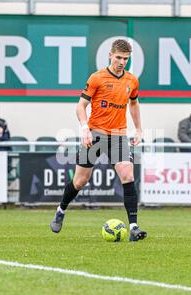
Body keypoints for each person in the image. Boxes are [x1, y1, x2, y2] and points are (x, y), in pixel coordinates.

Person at [50, 39, 147, 241]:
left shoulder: (132, 80)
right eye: (119, 57)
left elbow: (134, 104)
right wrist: (85, 128)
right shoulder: (97, 78)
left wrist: (138, 129)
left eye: (126, 59)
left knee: (128, 175)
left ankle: (134, 227)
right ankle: (61, 210)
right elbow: (80, 106)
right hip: (95, 134)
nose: (122, 62)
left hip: (119, 135)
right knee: (80, 181)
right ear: (110, 55)